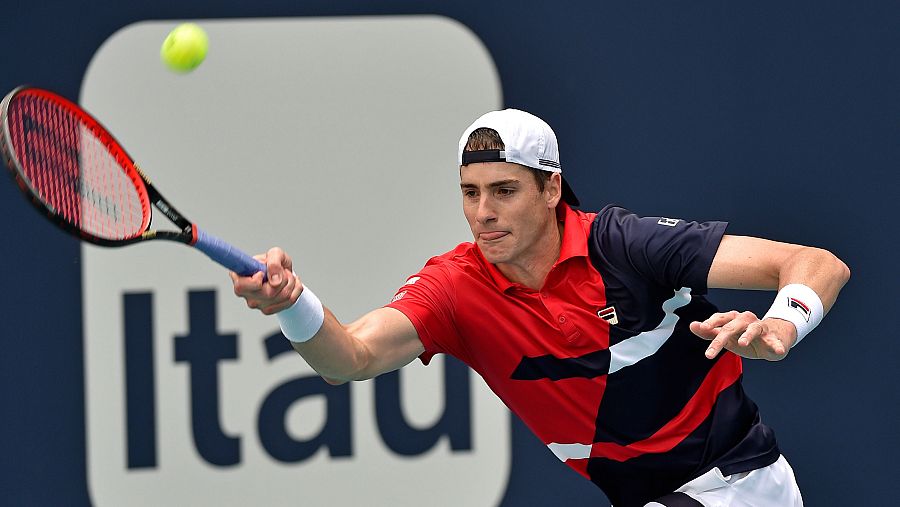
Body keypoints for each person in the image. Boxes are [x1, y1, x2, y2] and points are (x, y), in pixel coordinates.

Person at [231, 109, 849, 506]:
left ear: (551, 189)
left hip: (741, 483)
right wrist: (293, 303)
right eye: (470, 194)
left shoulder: (626, 246)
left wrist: (778, 326)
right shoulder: (455, 288)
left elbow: (819, 265)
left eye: (503, 191)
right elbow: (350, 358)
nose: (483, 213)